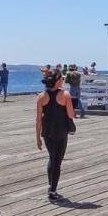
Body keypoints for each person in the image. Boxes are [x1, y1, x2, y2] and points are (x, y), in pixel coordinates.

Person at [36, 70, 76, 201]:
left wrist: (37, 138)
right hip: (60, 131)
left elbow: (38, 119)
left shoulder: (41, 96)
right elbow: (70, 115)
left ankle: (50, 185)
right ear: (58, 81)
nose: (63, 81)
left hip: (47, 132)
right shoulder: (65, 95)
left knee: (52, 158)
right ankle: (52, 191)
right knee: (57, 161)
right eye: (62, 79)